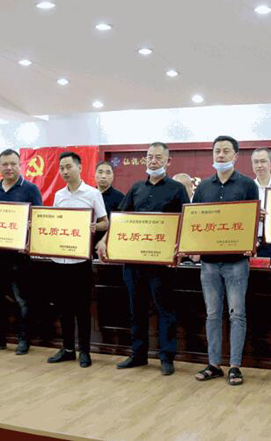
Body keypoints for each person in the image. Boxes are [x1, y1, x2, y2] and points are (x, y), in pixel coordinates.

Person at [96, 142, 189, 375]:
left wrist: (182, 246)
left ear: (168, 161)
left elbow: (186, 222)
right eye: (149, 156)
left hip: (162, 263)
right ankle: (138, 354)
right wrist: (104, 240)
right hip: (133, 261)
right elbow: (120, 218)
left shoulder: (177, 189)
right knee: (136, 309)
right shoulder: (136, 188)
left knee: (165, 310)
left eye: (158, 157)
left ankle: (166, 357)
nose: (153, 161)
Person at [192, 135, 259, 386]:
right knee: (212, 314)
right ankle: (214, 364)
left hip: (236, 262)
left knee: (237, 314)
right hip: (208, 262)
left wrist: (251, 242)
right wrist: (192, 247)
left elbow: (252, 220)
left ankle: (235, 366)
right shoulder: (203, 187)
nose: (220, 155)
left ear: (236, 156)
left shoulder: (247, 185)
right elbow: (195, 221)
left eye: (226, 151)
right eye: (217, 151)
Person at [47, 151, 108, 368]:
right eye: (61, 168)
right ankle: (67, 350)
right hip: (59, 260)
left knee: (82, 308)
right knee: (63, 308)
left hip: (80, 261)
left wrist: (94, 227)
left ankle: (84, 351)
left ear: (79, 168)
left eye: (68, 167)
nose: (64, 171)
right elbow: (55, 223)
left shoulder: (92, 193)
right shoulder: (59, 195)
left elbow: (105, 222)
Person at [0, 149, 43, 355]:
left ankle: (24, 340)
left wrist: (28, 241)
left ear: (20, 165)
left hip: (19, 256)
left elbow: (38, 220)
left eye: (13, 164)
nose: (9, 168)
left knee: (22, 300)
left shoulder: (30, 189)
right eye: (4, 164)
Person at [93, 160, 124, 256]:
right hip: (86, 245)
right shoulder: (89, 194)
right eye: (100, 172)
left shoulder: (120, 197)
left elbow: (119, 224)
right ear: (95, 174)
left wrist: (104, 241)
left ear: (113, 176)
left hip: (109, 247)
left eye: (108, 173)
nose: (103, 176)